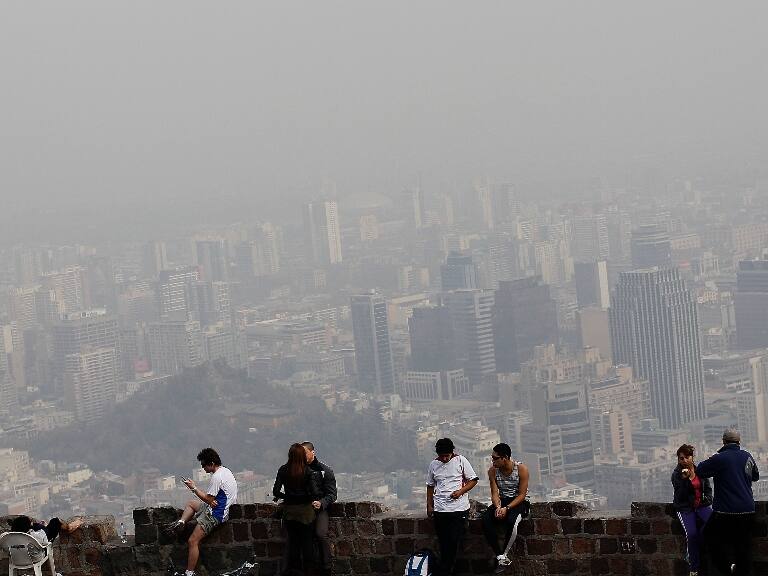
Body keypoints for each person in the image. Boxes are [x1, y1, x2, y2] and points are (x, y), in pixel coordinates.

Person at [696, 429, 759, 576]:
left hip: (725, 512)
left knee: (709, 537)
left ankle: (725, 570)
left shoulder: (720, 459)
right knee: (743, 547)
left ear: (723, 442)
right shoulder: (747, 457)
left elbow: (699, 470)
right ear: (739, 442)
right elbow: (755, 476)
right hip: (748, 510)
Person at [169, 448, 238, 576]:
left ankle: (189, 572)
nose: (203, 468)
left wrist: (193, 488)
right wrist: (210, 501)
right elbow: (210, 500)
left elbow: (207, 499)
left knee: (192, 541)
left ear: (211, 463)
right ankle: (181, 521)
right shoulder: (226, 471)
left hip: (215, 514)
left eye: (204, 465)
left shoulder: (217, 477)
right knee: (191, 503)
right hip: (216, 507)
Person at [426, 438, 479, 576]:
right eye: (442, 456)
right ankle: (446, 569)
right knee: (443, 542)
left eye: (447, 456)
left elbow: (473, 480)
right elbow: (430, 486)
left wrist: (461, 491)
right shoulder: (433, 465)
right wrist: (429, 506)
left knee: (454, 541)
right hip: (440, 509)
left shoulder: (461, 461)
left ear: (452, 452)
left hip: (458, 508)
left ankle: (446, 570)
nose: (444, 458)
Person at [274, 443, 321, 576]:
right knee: (307, 544)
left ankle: (295, 571)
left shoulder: (283, 470)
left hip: (289, 512)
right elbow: (315, 493)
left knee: (293, 543)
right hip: (306, 512)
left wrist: (288, 497)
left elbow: (276, 491)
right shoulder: (307, 471)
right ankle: (309, 571)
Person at [481, 443, 529, 571]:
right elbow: (494, 493)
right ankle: (499, 555)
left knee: (512, 522)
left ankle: (505, 553)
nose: (493, 461)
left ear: (505, 457)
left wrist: (507, 508)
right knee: (486, 520)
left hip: (517, 502)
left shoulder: (521, 469)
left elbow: (522, 495)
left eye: (495, 458)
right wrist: (498, 507)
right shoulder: (493, 471)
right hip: (502, 501)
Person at [671, 444, 713, 576]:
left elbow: (708, 489)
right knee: (692, 534)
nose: (684, 461)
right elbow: (680, 495)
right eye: (681, 458)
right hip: (685, 508)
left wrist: (706, 501)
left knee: (713, 525)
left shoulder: (700, 471)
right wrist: (687, 480)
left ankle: (695, 548)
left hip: (701, 506)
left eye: (686, 457)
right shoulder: (677, 474)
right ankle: (694, 567)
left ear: (692, 457)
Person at [302, 441, 337, 576]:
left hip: (320, 510)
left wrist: (321, 503)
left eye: (304, 453)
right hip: (303, 510)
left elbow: (332, 494)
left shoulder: (325, 471)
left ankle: (326, 566)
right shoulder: (298, 471)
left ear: (313, 453)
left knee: (320, 534)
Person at [10, 515, 84, 547]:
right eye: (30, 522)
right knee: (55, 521)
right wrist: (42, 527)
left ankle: (70, 526)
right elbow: (44, 539)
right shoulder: (32, 536)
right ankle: (70, 527)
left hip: (18, 558)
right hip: (36, 553)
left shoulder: (11, 537)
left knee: (52, 522)